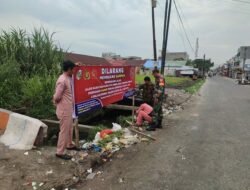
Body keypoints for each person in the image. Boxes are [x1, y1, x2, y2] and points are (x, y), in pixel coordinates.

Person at [53, 60, 79, 160]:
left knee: (69, 128)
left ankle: (69, 144)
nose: (74, 71)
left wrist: (75, 65)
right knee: (64, 130)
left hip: (68, 109)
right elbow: (56, 96)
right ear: (69, 69)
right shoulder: (62, 80)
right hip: (64, 109)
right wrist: (55, 100)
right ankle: (60, 152)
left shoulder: (68, 77)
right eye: (73, 69)